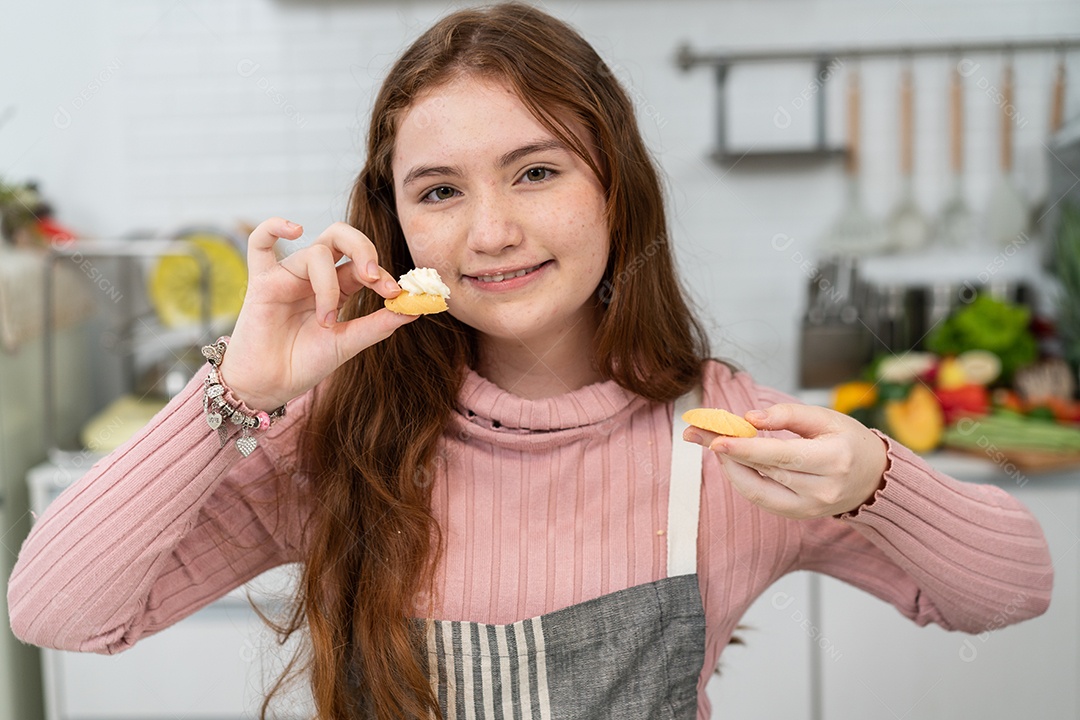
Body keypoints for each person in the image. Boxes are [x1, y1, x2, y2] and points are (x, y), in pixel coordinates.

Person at [7, 4, 1053, 720]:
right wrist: (235, 389)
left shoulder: (726, 441)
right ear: (399, 224)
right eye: (440, 191)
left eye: (537, 170)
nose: (492, 232)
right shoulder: (337, 440)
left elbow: (1011, 590)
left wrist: (877, 477)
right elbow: (56, 615)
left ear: (614, 187)